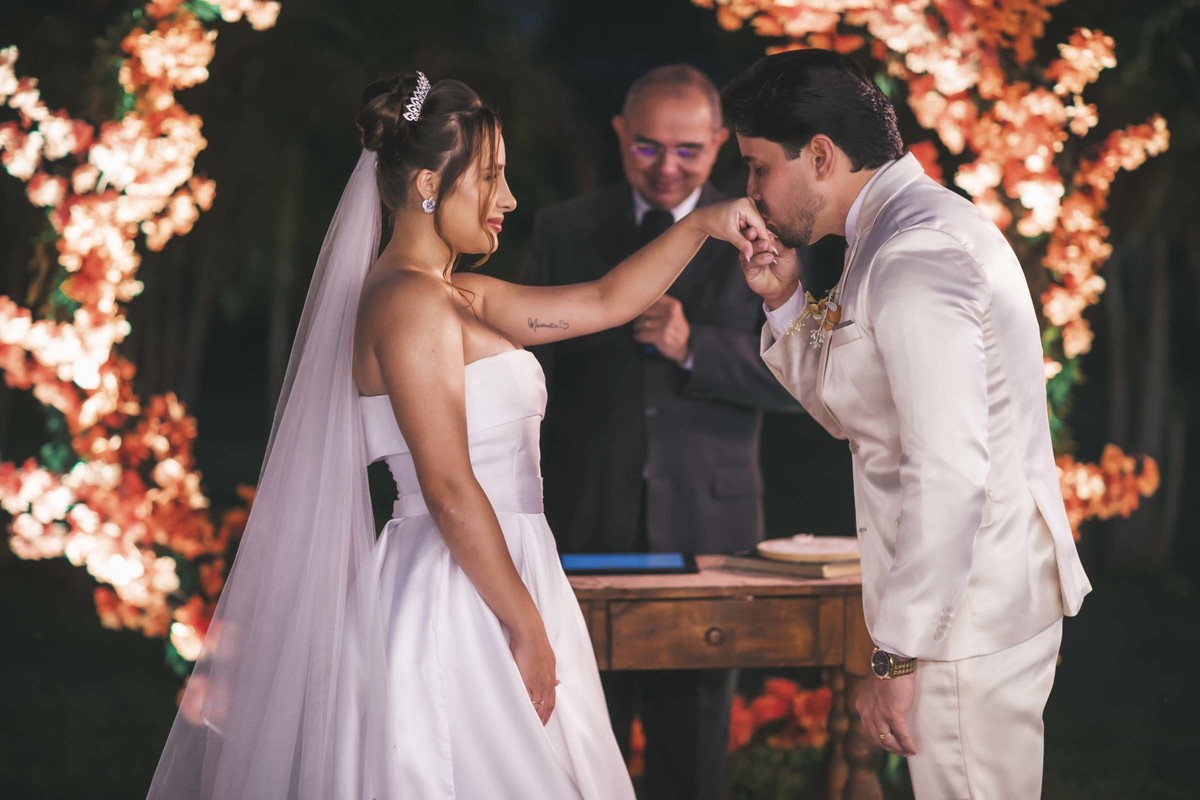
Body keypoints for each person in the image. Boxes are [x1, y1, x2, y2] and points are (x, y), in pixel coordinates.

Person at [146, 72, 768, 799]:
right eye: (491, 177)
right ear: (427, 185)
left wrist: (702, 225)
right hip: (459, 588)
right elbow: (445, 485)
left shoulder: (456, 294)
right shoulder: (408, 304)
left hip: (509, 566)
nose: (509, 199)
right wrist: (525, 625)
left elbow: (606, 301)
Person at [723, 50, 1092, 798]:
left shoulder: (916, 252)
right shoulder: (898, 232)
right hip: (966, 612)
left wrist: (896, 653)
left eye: (758, 167)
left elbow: (948, 469)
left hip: (965, 624)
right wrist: (785, 302)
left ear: (819, 155)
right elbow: (857, 414)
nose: (751, 192)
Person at [525, 64, 800, 800]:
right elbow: (528, 376)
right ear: (621, 135)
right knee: (582, 749)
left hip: (709, 527)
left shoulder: (765, 231)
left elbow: (803, 380)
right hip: (586, 518)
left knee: (695, 756)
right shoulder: (564, 229)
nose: (667, 166)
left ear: (718, 143)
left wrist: (695, 346)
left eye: (688, 150)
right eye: (647, 147)